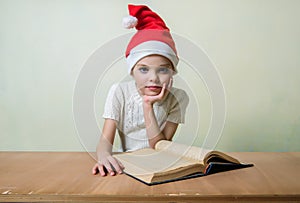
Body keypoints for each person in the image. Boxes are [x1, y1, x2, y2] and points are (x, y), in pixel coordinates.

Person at [92, 4, 189, 176]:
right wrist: (104, 155)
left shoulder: (178, 98)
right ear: (132, 71)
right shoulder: (119, 92)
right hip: (127, 167)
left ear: (172, 71)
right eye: (144, 69)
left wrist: (147, 106)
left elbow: (159, 148)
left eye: (163, 69)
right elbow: (104, 141)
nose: (153, 78)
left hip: (159, 167)